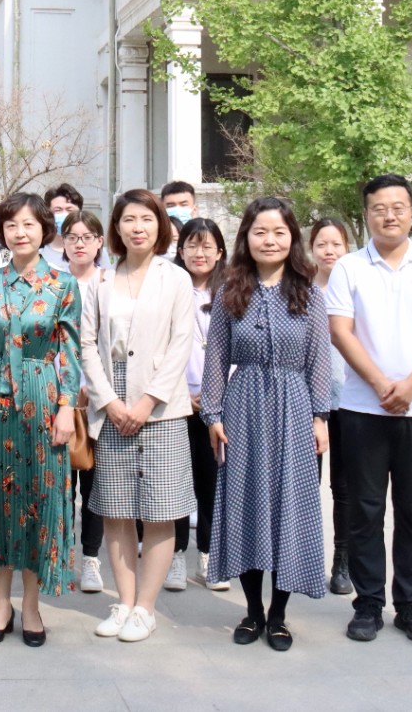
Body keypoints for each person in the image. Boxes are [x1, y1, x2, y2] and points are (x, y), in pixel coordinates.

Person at [326, 175, 412, 645]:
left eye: (398, 207)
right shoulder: (348, 267)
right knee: (364, 512)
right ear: (366, 214)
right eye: (379, 207)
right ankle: (367, 604)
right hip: (362, 409)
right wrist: (383, 385)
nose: (389, 215)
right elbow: (341, 331)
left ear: (411, 211)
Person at [202, 197, 334, 653]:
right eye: (261, 232)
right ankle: (253, 610)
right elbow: (216, 356)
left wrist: (321, 417)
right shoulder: (230, 291)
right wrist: (213, 414)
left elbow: (319, 358)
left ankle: (279, 614)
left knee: (288, 509)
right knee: (246, 505)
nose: (270, 240)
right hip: (243, 408)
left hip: (294, 406)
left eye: (279, 232)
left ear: (292, 237)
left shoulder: (308, 292)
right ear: (247, 238)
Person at [0, 192, 81, 647]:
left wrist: (68, 405)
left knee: (37, 497)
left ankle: (31, 607)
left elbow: (70, 350)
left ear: (44, 229)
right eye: (11, 225)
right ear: (2, 232)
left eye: (28, 224)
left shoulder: (63, 284)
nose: (20, 232)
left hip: (42, 397)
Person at [80, 190, 196, 643]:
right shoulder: (100, 282)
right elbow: (86, 345)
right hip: (112, 405)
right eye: (129, 219)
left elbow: (180, 343)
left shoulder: (176, 279)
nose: (138, 227)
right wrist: (109, 401)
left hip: (162, 407)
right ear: (117, 227)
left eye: (147, 218)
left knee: (162, 511)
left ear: (161, 226)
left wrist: (146, 402)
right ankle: (124, 602)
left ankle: (146, 608)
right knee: (116, 510)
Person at [172, 217, 229, 592]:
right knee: (175, 481)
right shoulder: (169, 289)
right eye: (192, 245)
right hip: (176, 402)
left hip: (220, 404)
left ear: (220, 252)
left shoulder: (234, 292)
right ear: (180, 251)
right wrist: (181, 393)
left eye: (207, 246)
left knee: (212, 481)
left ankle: (208, 555)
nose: (199, 253)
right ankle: (176, 556)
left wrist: (214, 397)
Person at [58, 209, 109, 596]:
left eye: (86, 236)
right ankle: (60, 558)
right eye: (72, 236)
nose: (79, 243)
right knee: (59, 485)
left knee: (93, 484)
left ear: (99, 242)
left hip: (98, 401)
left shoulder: (109, 285)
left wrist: (99, 387)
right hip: (55, 399)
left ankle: (90, 559)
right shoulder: (52, 284)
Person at [310, 217, 355, 596]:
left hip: (351, 402)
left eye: (336, 244)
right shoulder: (304, 291)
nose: (329, 251)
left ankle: (342, 561)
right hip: (309, 405)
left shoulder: (357, 289)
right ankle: (305, 558)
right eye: (322, 244)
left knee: (345, 487)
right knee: (307, 484)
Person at [41, 184, 86, 271]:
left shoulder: (94, 250)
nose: (65, 215)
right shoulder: (38, 252)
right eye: (58, 210)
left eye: (70, 210)